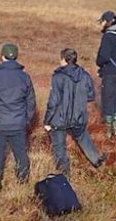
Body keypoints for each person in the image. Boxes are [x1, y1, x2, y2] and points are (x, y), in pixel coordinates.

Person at [45, 48, 107, 176]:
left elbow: (53, 102)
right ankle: (97, 160)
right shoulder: (85, 75)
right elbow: (91, 96)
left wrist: (47, 121)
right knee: (83, 137)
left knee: (59, 147)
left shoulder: (58, 77)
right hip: (79, 117)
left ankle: (64, 173)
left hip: (59, 119)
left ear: (64, 60)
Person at [0, 43, 36, 190]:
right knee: (21, 155)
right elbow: (31, 103)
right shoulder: (25, 77)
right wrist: (26, 121)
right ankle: (23, 183)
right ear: (16, 56)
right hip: (18, 124)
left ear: (2, 56)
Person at [96, 11, 116, 138]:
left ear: (107, 21)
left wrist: (98, 62)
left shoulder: (108, 36)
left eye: (102, 21)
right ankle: (115, 127)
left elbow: (103, 57)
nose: (101, 24)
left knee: (107, 99)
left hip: (110, 72)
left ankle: (108, 130)